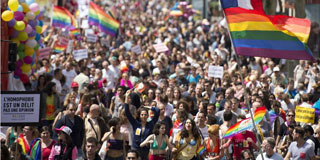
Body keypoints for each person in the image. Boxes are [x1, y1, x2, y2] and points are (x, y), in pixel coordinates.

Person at [124, 90, 160, 160]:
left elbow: (157, 110)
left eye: (145, 115)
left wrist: (147, 107)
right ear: (139, 116)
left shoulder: (151, 124)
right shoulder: (136, 124)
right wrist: (126, 97)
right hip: (135, 149)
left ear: (147, 116)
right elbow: (127, 112)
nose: (143, 116)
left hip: (145, 151)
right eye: (142, 114)